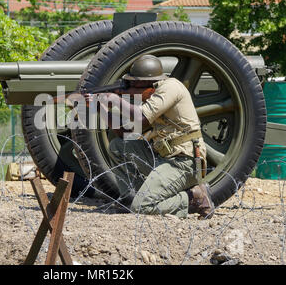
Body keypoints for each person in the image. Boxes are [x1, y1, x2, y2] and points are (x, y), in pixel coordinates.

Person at [86, 54, 215, 219]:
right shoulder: (152, 98)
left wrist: (115, 99)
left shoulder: (171, 87)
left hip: (184, 162)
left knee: (143, 207)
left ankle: (194, 197)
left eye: (133, 83)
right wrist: (101, 108)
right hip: (164, 158)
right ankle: (130, 199)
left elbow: (141, 117)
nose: (129, 88)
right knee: (118, 146)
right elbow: (125, 133)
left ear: (148, 82)